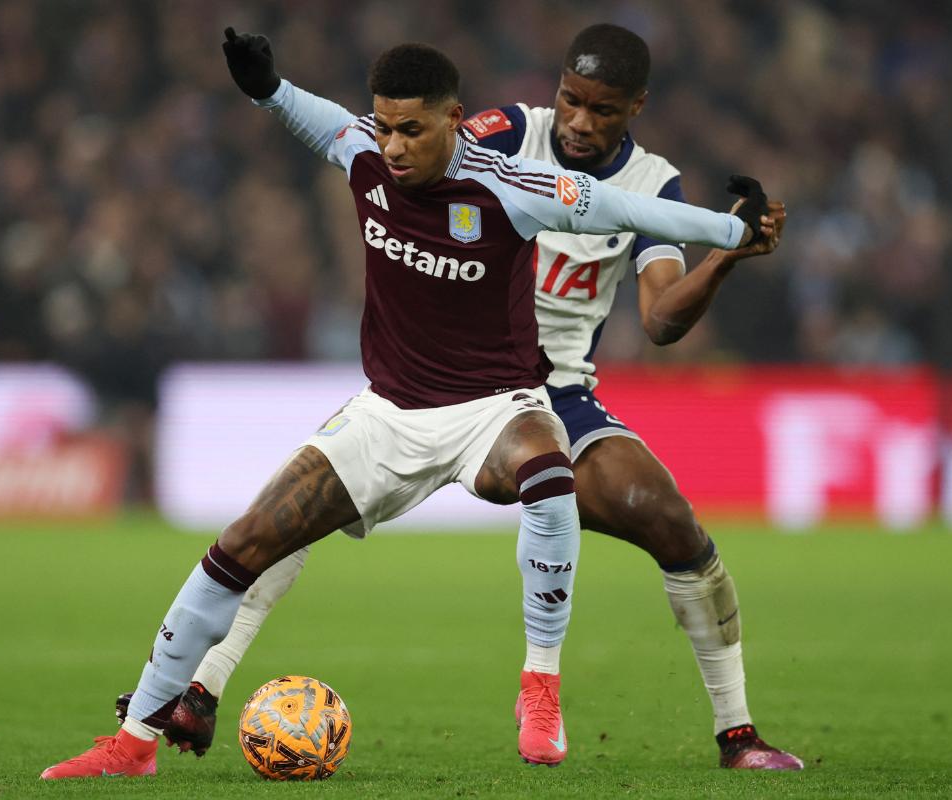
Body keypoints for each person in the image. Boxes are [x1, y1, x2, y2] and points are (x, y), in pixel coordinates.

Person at [41, 27, 772, 779]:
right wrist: (263, 85)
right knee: (247, 540)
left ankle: (548, 691)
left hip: (506, 399)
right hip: (389, 410)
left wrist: (728, 233)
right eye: (385, 126)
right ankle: (137, 740)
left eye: (410, 129)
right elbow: (317, 117)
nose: (391, 145)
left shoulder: (524, 185)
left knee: (552, 474)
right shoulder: (414, 142)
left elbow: (630, 225)